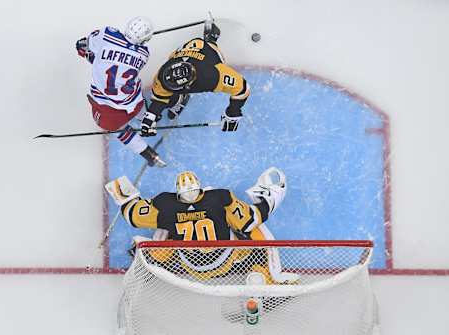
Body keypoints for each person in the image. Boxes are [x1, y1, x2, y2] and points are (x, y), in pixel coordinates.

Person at [105, 168, 299, 284]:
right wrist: (267, 202)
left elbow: (134, 216)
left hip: (190, 266)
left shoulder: (166, 204)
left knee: (163, 227)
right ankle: (269, 275)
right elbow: (250, 220)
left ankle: (152, 261)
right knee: (254, 231)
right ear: (199, 187)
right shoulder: (221, 197)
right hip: (226, 262)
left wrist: (124, 195)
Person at [75, 17, 166, 167]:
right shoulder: (144, 53)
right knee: (134, 91)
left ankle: (146, 152)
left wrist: (84, 50)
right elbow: (119, 63)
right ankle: (147, 118)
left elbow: (88, 45)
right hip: (133, 104)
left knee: (116, 127)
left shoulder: (107, 34)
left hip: (109, 111)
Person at [138, 21, 251, 137]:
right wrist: (151, 116)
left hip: (207, 56)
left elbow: (243, 88)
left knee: (211, 48)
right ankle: (180, 98)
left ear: (188, 85)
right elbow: (159, 99)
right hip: (183, 52)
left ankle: (211, 39)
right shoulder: (162, 76)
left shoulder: (212, 75)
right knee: (161, 94)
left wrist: (233, 112)